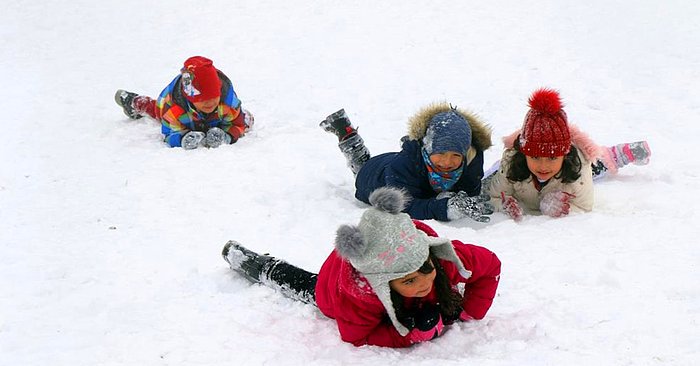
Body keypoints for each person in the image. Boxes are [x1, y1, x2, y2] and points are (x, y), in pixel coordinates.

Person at [222, 187, 501, 348]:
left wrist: (467, 311)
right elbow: (357, 335)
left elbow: (490, 266)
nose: (423, 284)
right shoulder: (359, 295)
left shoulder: (438, 255)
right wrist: (409, 334)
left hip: (380, 253)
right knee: (305, 285)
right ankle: (253, 263)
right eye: (408, 282)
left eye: (424, 270)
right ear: (383, 283)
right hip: (333, 288)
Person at [486, 88, 652, 221]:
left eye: (552, 157)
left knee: (597, 164)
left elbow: (585, 206)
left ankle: (617, 154)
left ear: (564, 155)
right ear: (525, 154)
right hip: (520, 169)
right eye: (535, 157)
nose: (543, 166)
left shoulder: (577, 168)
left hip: (569, 173)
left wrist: (558, 208)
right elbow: (493, 196)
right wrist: (504, 204)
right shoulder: (511, 164)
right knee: (495, 173)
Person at [320, 104, 494, 222]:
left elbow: (470, 191)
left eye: (456, 154)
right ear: (427, 148)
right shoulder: (404, 165)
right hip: (374, 176)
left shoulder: (471, 159)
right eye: (440, 153)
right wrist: (445, 208)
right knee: (361, 166)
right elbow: (404, 206)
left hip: (404, 166)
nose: (447, 162)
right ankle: (347, 134)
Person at [114, 56, 254, 149]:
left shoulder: (227, 104)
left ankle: (241, 115)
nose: (210, 103)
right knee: (156, 110)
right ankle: (134, 102)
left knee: (245, 120)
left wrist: (227, 136)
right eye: (202, 99)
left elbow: (238, 124)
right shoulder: (174, 109)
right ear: (190, 98)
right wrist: (182, 139)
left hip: (217, 118)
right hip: (177, 111)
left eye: (213, 97)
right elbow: (168, 134)